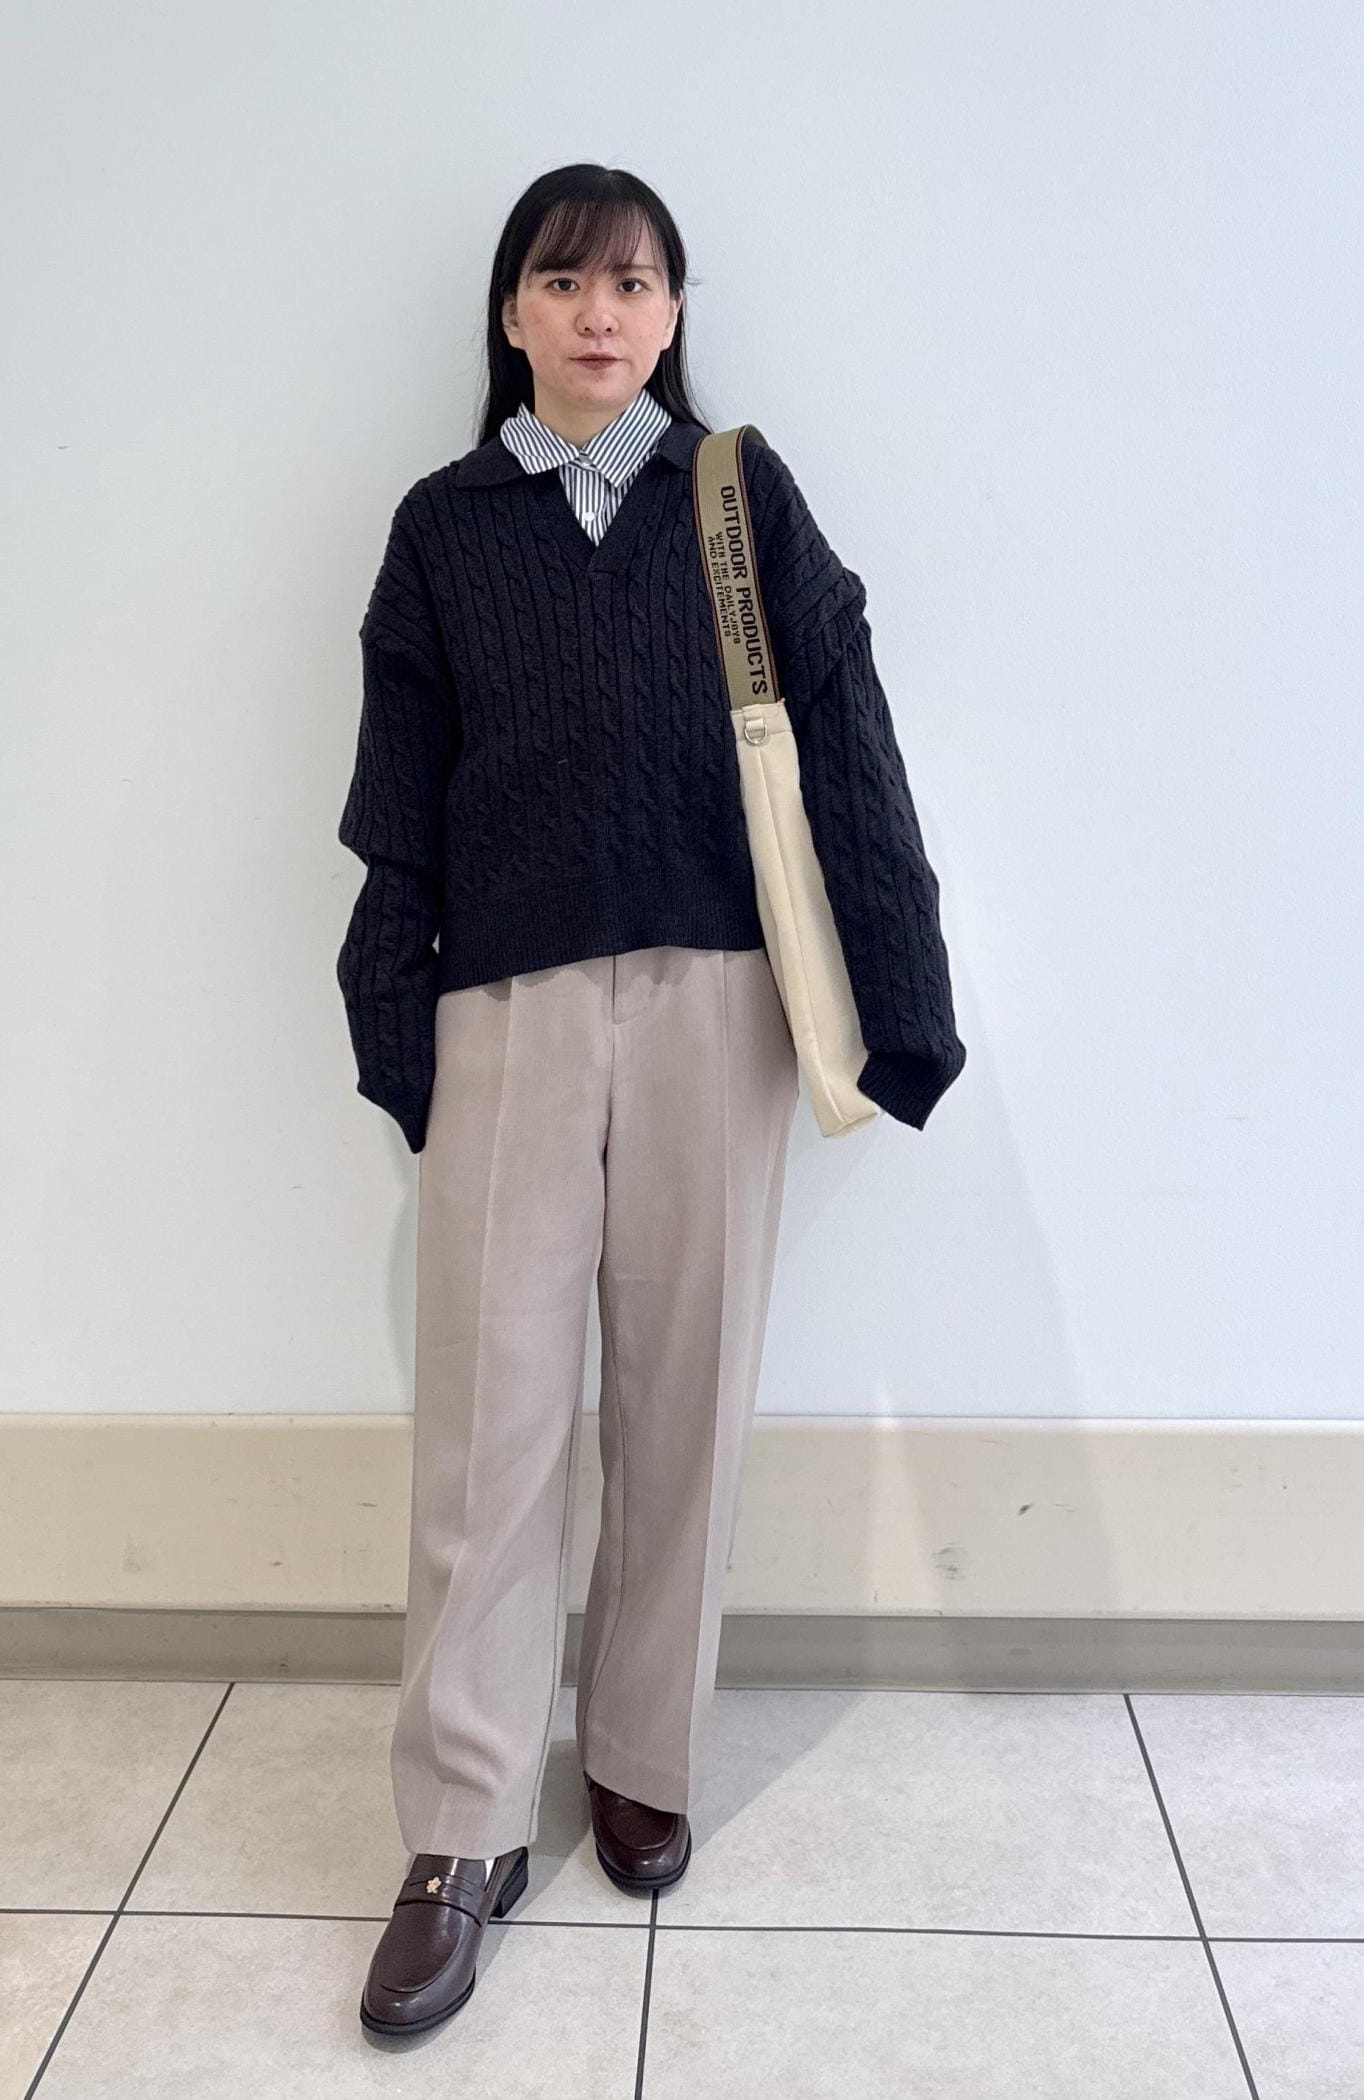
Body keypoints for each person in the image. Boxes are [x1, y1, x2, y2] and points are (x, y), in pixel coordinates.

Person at [338, 163, 967, 2039]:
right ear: (512, 315)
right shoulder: (445, 527)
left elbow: (845, 729)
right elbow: (399, 794)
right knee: (490, 1434)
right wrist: (391, 1011)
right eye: (563, 281)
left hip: (717, 999)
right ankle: (461, 1831)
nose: (599, 312)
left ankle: (640, 1756)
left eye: (632, 282)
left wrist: (906, 992)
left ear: (675, 314)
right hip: (506, 1004)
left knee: (685, 1402)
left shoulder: (739, 498)